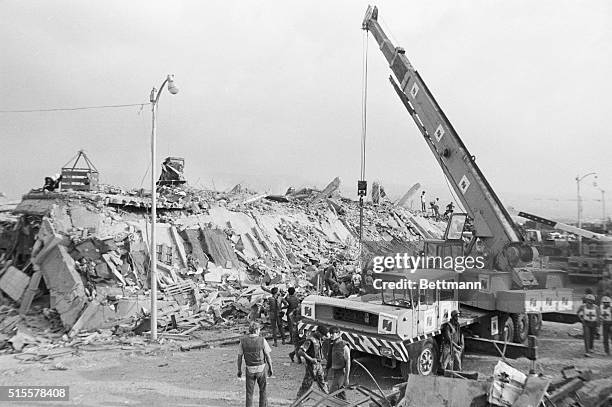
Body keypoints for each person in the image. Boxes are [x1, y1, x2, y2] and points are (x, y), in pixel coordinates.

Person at [237, 322, 273, 407]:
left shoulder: (243, 341)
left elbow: (239, 357)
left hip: (250, 369)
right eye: (259, 329)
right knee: (263, 390)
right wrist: (270, 368)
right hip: (261, 368)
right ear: (256, 330)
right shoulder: (262, 340)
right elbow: (267, 356)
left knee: (249, 393)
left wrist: (239, 370)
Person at [296, 326, 329, 399]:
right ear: (317, 332)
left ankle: (329, 399)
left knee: (322, 382)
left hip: (318, 365)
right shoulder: (310, 340)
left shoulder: (319, 338)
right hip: (311, 366)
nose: (323, 337)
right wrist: (311, 359)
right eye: (322, 335)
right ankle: (298, 400)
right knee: (307, 384)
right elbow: (300, 352)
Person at [326, 326, 350, 400]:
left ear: (339, 334)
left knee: (331, 396)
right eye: (330, 333)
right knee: (341, 395)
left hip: (340, 374)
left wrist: (346, 378)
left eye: (333, 333)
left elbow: (348, 363)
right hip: (335, 372)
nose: (331, 335)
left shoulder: (344, 346)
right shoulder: (333, 344)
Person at [285, 287, 301, 362]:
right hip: (296, 315)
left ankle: (292, 340)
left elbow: (286, 304)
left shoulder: (288, 298)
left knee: (291, 327)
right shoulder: (297, 299)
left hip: (290, 313)